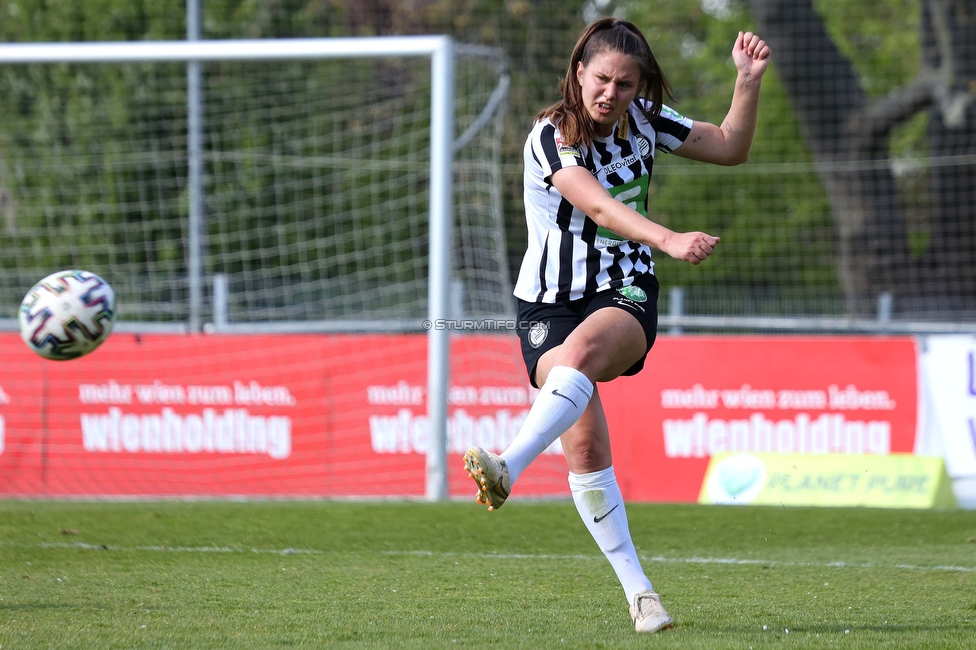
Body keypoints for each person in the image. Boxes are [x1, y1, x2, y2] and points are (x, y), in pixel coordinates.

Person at [463, 17, 770, 633]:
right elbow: (596, 203)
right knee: (585, 446)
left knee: (576, 362)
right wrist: (670, 237)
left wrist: (746, 81)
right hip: (546, 303)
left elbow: (731, 146)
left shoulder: (648, 121)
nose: (611, 93)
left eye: (625, 84)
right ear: (578, 73)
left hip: (624, 288)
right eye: (601, 78)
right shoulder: (549, 137)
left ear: (639, 88)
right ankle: (642, 597)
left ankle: (509, 467)